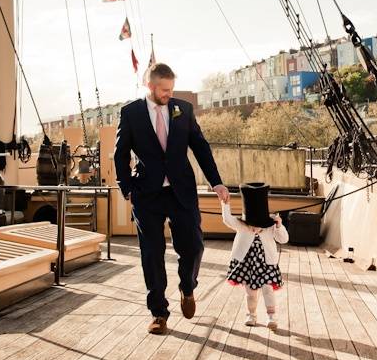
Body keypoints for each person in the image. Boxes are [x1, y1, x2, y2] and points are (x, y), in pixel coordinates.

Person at [114, 62, 229, 335]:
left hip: (182, 191)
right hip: (146, 195)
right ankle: (158, 313)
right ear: (150, 86)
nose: (169, 94)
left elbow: (200, 146)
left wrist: (216, 182)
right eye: (164, 89)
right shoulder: (130, 113)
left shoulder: (183, 109)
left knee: (193, 246)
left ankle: (187, 287)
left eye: (171, 89)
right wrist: (125, 186)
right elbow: (121, 153)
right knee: (152, 254)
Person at [221, 182, 289, 330]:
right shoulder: (241, 225)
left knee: (267, 289)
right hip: (247, 264)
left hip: (267, 264)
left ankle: (271, 316)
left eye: (258, 224)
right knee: (251, 292)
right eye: (251, 224)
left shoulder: (270, 226)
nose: (254, 228)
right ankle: (251, 314)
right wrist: (225, 204)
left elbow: (283, 239)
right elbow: (227, 219)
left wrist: (279, 225)